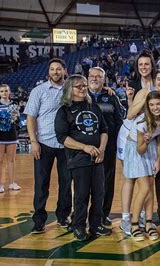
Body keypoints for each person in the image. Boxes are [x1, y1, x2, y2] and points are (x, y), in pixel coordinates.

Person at [54, 74, 110, 241]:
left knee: (99, 193)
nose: (83, 88)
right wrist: (84, 147)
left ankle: (95, 224)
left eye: (84, 85)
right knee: (81, 195)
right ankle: (78, 226)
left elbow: (104, 130)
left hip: (97, 159)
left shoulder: (93, 107)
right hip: (78, 160)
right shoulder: (64, 111)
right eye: (78, 86)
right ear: (70, 89)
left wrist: (101, 150)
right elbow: (62, 138)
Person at [24, 58, 72, 234]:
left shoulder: (71, 90)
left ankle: (63, 216)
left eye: (58, 69)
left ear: (65, 71)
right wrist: (34, 142)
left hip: (66, 144)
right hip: (44, 144)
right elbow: (31, 118)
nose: (55, 72)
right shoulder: (39, 91)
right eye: (52, 69)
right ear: (48, 72)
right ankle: (39, 220)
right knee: (41, 183)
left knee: (66, 183)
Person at [124, 91, 160, 241]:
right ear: (147, 107)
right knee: (144, 188)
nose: (155, 107)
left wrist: (158, 160)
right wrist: (147, 142)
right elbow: (140, 149)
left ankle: (149, 223)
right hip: (137, 148)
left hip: (151, 149)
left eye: (158, 104)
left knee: (150, 186)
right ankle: (134, 224)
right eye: (151, 105)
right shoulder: (142, 122)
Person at [87, 67, 124, 227]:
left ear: (104, 80)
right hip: (84, 147)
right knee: (83, 184)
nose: (95, 79)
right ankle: (79, 215)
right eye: (92, 76)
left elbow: (118, 122)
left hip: (107, 148)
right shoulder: (80, 95)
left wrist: (116, 144)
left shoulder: (111, 97)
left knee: (107, 183)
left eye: (98, 77)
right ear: (87, 78)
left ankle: (103, 214)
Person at [0, 84, 21, 193]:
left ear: (9, 92)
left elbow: (17, 120)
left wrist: (16, 116)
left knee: (11, 159)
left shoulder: (14, 104)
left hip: (12, 134)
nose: (4, 93)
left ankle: (12, 183)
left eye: (6, 91)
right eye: (2, 91)